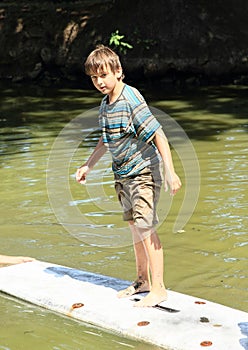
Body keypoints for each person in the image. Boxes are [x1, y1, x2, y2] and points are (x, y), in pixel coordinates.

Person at [76, 45, 181, 307]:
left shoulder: (131, 99)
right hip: (122, 174)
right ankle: (142, 280)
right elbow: (106, 139)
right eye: (94, 77)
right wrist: (88, 165)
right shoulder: (106, 103)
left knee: (146, 226)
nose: (99, 82)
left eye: (103, 75)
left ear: (118, 71)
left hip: (143, 172)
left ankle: (159, 288)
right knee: (135, 228)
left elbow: (158, 134)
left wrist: (170, 172)